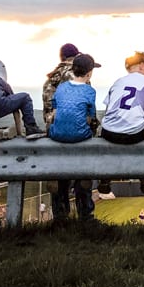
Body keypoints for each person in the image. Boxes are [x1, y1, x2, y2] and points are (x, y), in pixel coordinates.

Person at [46, 53, 102, 221]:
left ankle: (61, 215)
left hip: (57, 135)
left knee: (61, 174)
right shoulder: (89, 91)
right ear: (89, 73)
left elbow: (54, 112)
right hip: (80, 137)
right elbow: (91, 117)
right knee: (87, 140)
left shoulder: (61, 87)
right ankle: (84, 179)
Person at [42, 41, 92, 203]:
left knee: (60, 174)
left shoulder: (52, 77)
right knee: (81, 172)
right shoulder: (78, 73)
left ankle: (61, 219)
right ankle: (85, 217)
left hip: (54, 130)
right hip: (76, 129)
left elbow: (49, 106)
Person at [101, 52, 144, 196]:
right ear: (142, 66)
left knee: (112, 133)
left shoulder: (118, 82)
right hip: (134, 134)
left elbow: (108, 109)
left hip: (108, 132)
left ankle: (105, 178)